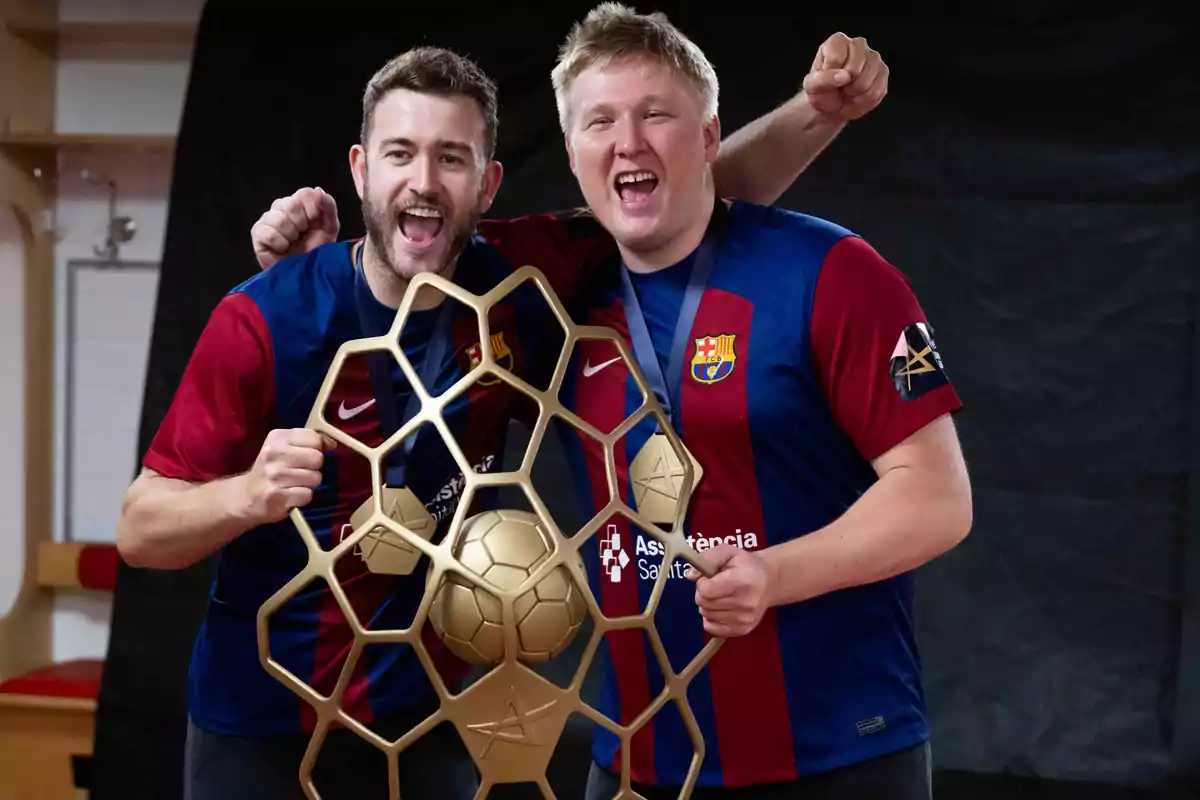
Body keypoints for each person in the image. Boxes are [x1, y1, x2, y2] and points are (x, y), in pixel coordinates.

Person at [121, 31, 889, 800]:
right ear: (361, 169)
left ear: (486, 183)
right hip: (268, 728)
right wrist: (247, 494)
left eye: (450, 159)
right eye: (399, 154)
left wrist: (817, 112)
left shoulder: (516, 283)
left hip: (433, 717)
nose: (423, 183)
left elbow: (680, 189)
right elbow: (142, 528)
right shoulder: (266, 318)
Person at [544, 6, 971, 799]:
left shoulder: (832, 271)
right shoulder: (556, 299)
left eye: (656, 115)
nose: (628, 142)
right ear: (573, 152)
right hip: (638, 761)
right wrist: (292, 267)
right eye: (600, 121)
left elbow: (938, 498)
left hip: (837, 756)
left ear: (708, 137)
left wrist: (774, 574)